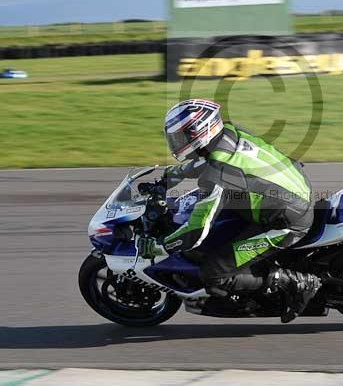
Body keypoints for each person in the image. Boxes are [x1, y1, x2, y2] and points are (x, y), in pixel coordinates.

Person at [138, 98, 321, 323]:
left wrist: (160, 246)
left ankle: (295, 281)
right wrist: (170, 177)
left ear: (200, 132)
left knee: (213, 273)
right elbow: (206, 162)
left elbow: (196, 230)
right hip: (291, 190)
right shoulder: (229, 133)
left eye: (180, 136)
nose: (176, 142)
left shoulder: (218, 174)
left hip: (285, 222)